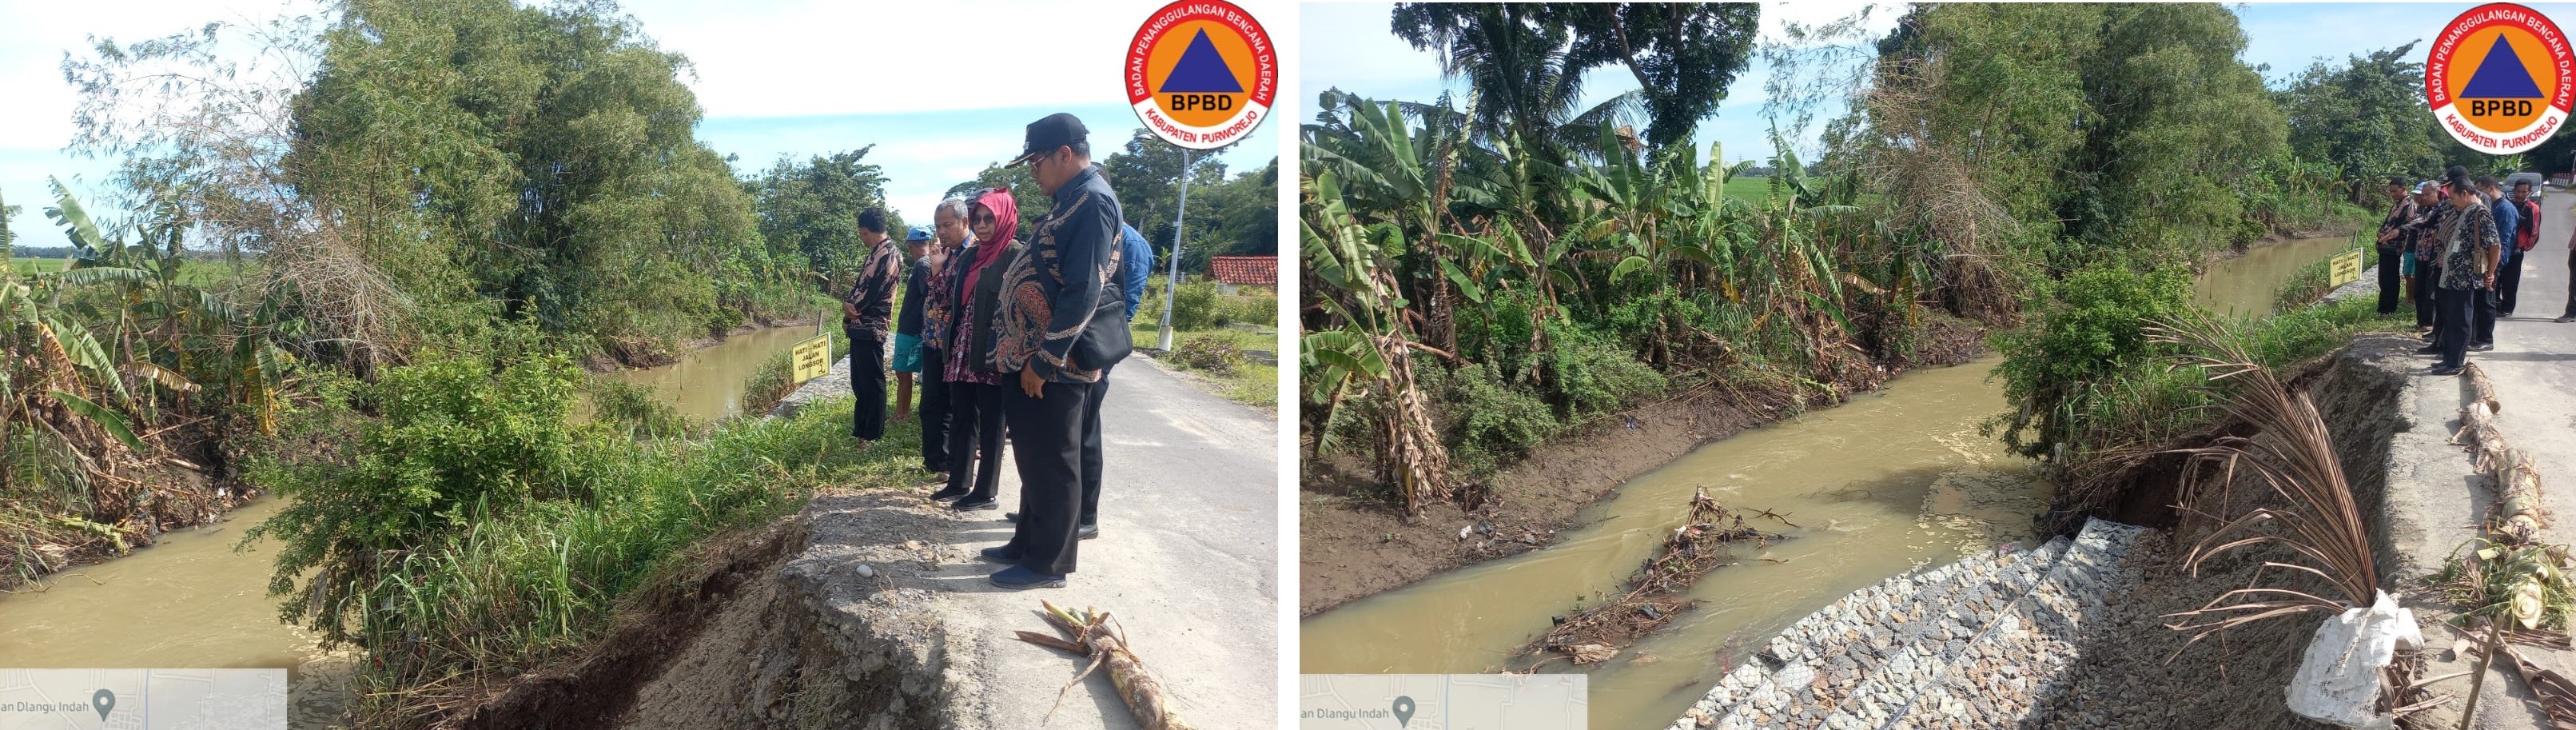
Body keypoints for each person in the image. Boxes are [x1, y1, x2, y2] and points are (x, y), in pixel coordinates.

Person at [979, 113, 1129, 589]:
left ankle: (1048, 564)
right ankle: (1026, 543)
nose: (1032, 171)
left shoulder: (1092, 202)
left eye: (1038, 160)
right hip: (1030, 358)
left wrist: (1045, 360)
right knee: (1033, 458)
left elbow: (1084, 289)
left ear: (1067, 153)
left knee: (1055, 461)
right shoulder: (1071, 198)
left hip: (1054, 366)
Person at [930, 191, 1021, 513]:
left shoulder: (1015, 255)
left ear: (1004, 218)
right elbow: (944, 301)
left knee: (994, 422)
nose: (982, 226)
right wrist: (938, 270)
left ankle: (986, 492)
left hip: (994, 351)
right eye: (978, 219)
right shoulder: (969, 256)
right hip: (962, 348)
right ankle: (959, 482)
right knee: (962, 415)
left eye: (989, 219)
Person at [2430, 173, 2502, 377]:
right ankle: (2449, 359)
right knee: (2452, 320)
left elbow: (2495, 245)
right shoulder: (2467, 212)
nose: (2452, 203)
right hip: (2453, 278)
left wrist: (2491, 273)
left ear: (2464, 193)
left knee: (2461, 321)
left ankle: (2455, 363)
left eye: (2453, 198)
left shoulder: (2480, 213)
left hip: (2465, 279)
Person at [842, 208, 901, 442]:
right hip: (860, 326)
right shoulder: (875, 253)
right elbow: (859, 286)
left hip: (872, 325)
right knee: (859, 381)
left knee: (873, 383)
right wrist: (847, 307)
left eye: (862, 234)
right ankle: (861, 431)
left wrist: (849, 307)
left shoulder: (889, 254)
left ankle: (873, 435)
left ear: (865, 231)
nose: (861, 238)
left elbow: (873, 292)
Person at [892, 225, 936, 424]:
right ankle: (903, 412)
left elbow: (929, 297)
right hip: (914, 328)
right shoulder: (928, 263)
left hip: (912, 329)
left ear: (910, 246)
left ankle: (902, 414)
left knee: (903, 372)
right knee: (906, 373)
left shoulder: (922, 265)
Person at [2473, 175, 2516, 349]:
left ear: (2490, 188)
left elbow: (2503, 242)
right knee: (2481, 300)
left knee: (2487, 300)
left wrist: (2494, 268)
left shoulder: (2505, 209)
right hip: (2485, 261)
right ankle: (2478, 336)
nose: (2479, 196)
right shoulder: (2492, 207)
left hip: (2494, 262)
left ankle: (2486, 339)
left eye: (2480, 191)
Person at [2374, 176, 2415, 316]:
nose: (2392, 194)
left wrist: (2390, 236)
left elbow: (2408, 227)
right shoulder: (2397, 204)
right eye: (2391, 192)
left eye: (2395, 191)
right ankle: (2382, 307)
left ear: (2404, 189)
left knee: (2391, 279)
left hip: (2394, 247)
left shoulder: (2410, 205)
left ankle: (2389, 308)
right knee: (2383, 279)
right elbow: (2387, 222)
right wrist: (2380, 235)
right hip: (2384, 246)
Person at [2503, 180, 2540, 316]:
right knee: (2498, 278)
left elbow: (2534, 232)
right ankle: (2497, 304)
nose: (2520, 194)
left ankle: (2508, 308)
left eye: (2524, 192)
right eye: (2518, 191)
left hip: (2517, 252)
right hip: (2503, 249)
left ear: (2529, 192)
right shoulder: (2508, 205)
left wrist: (2523, 247)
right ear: (2513, 191)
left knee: (2511, 281)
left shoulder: (2532, 208)